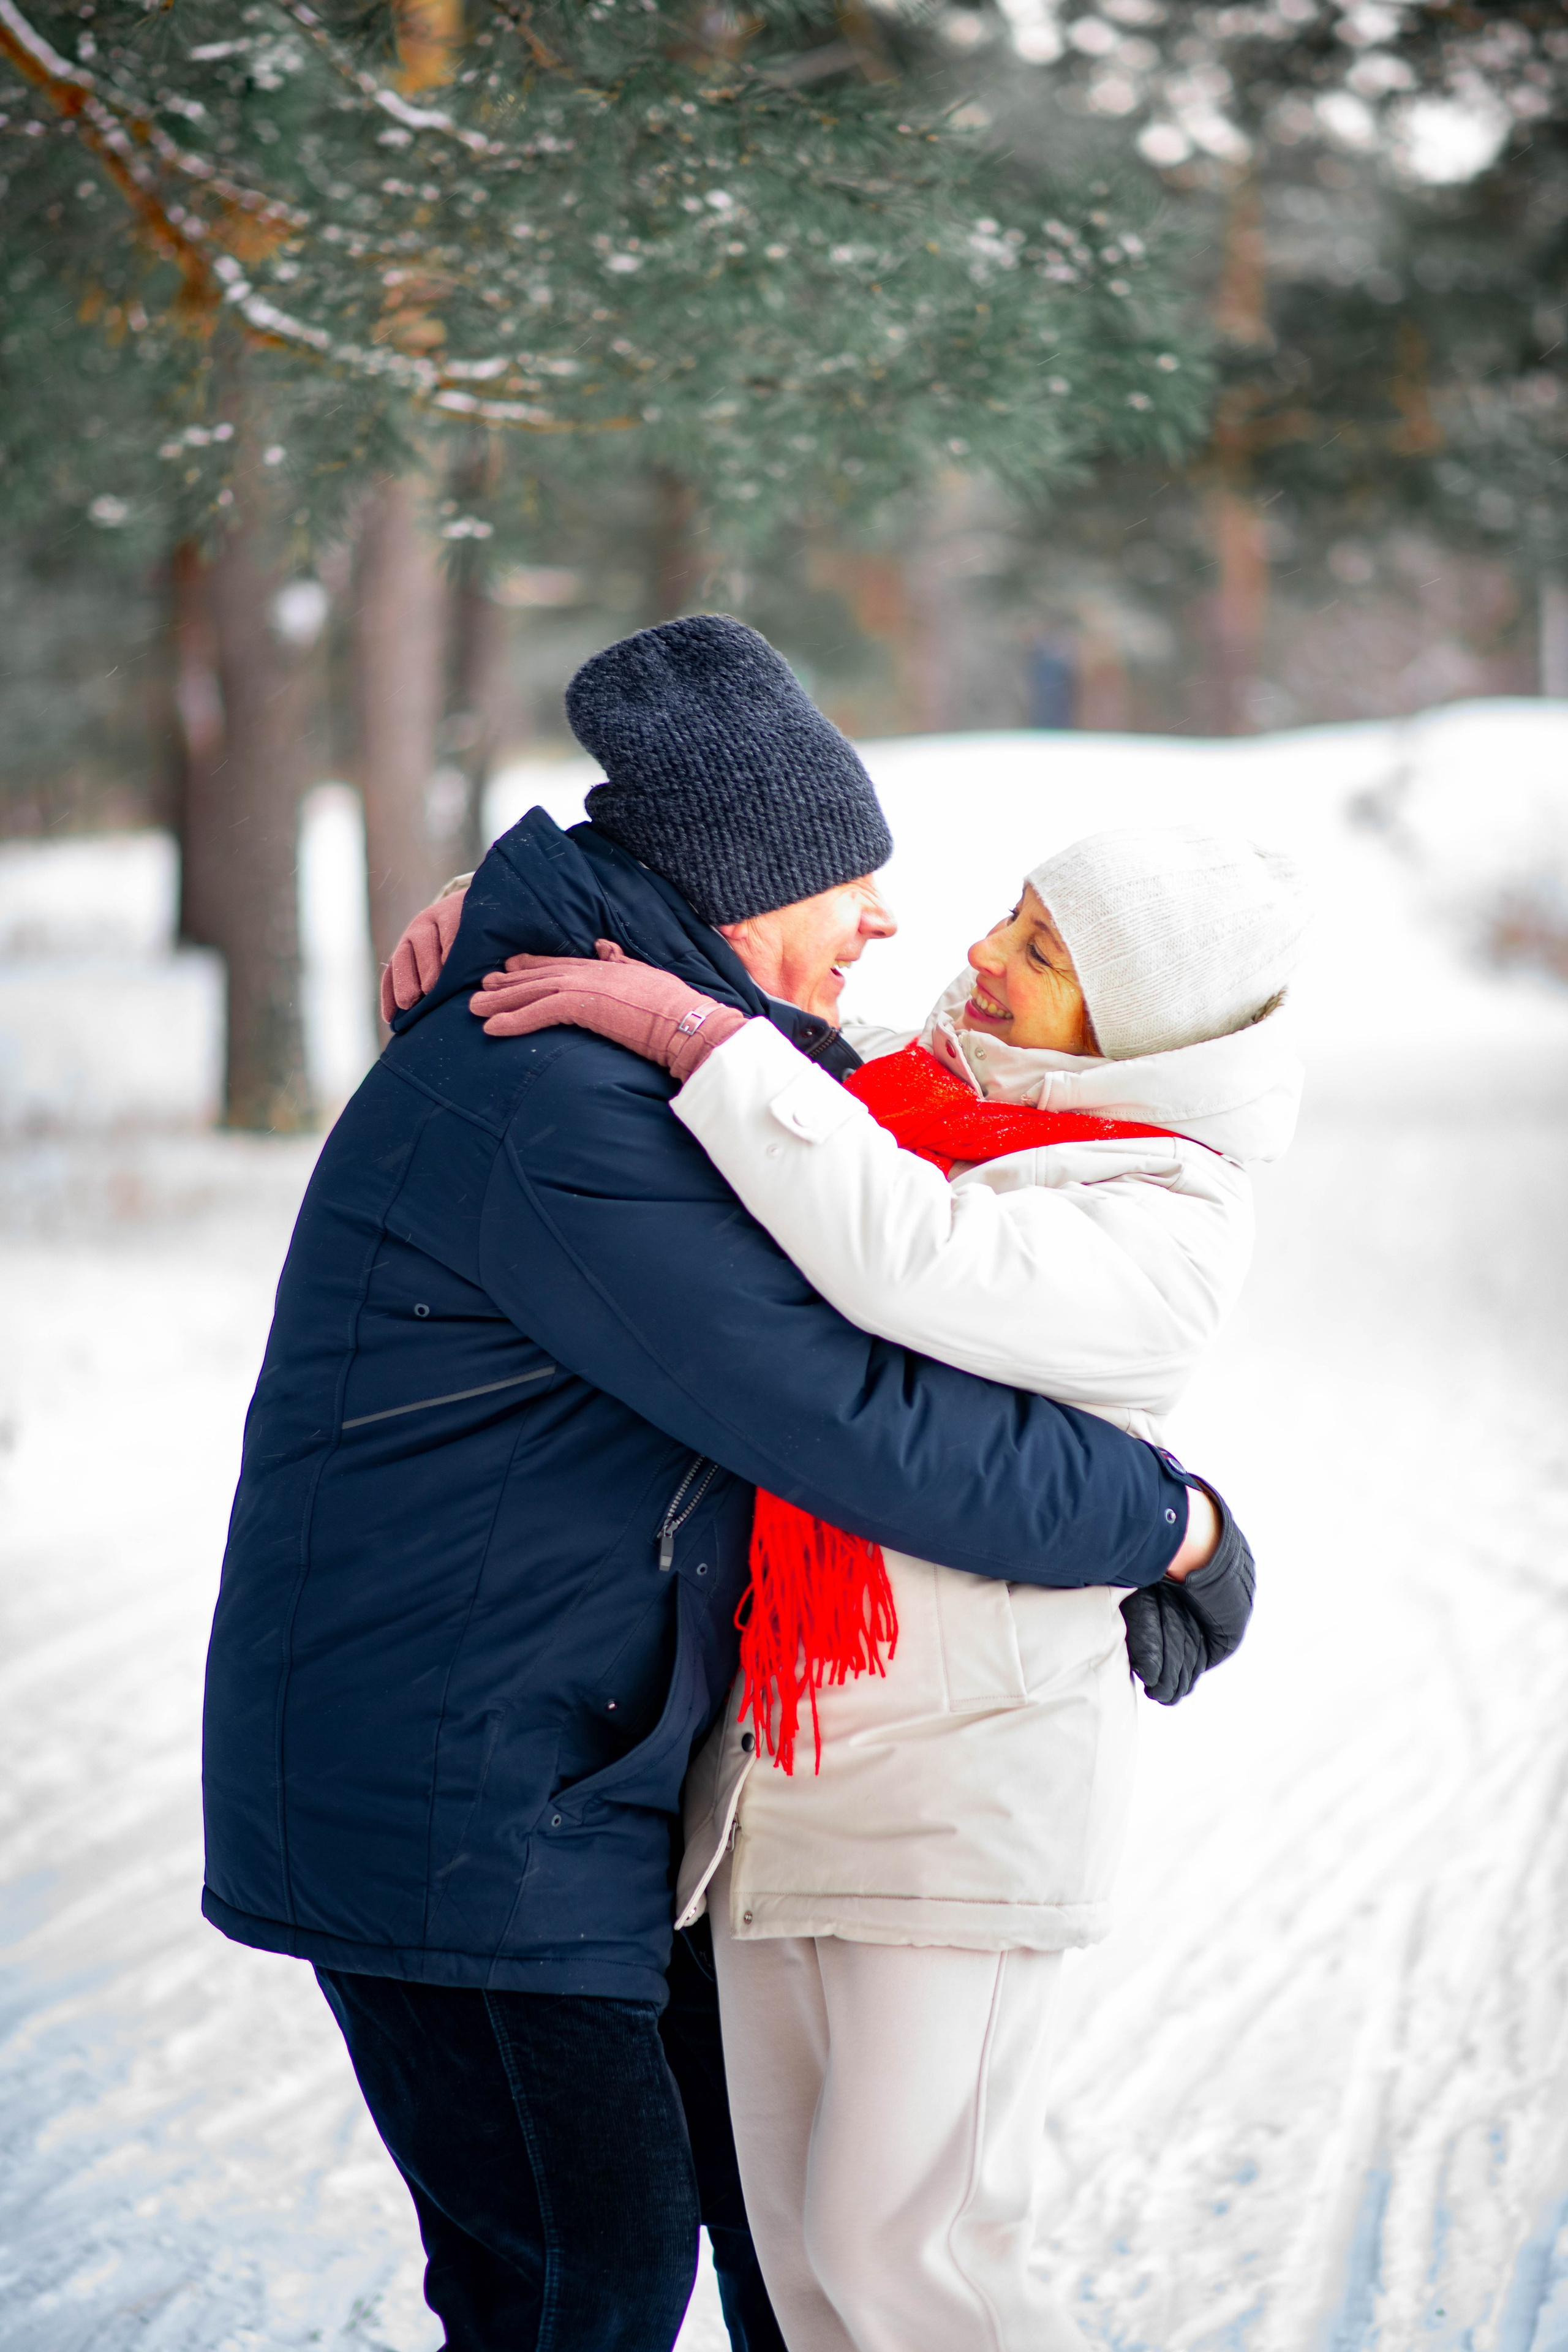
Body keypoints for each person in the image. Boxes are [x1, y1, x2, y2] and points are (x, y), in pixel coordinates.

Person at [206, 615, 1234, 2352]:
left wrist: (538, 918)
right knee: (585, 2277)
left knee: (769, 2231)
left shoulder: (643, 1055)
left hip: (578, 1775)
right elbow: (847, 1417)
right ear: (742, 897)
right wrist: (1166, 1526)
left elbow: (843, 1139)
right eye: (849, 887)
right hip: (463, 1797)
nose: (891, 927)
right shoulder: (560, 1102)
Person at [409, 821, 1304, 2351]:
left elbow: (903, 1255)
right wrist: (488, 910)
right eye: (1011, 916)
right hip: (780, 1773)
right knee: (802, 2274)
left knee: (910, 2261)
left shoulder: (1165, 1216)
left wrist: (701, 1043)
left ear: (1133, 1029)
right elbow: (760, 996)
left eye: (1039, 955)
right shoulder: (914, 1089)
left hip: (960, 1795)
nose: (982, 953)